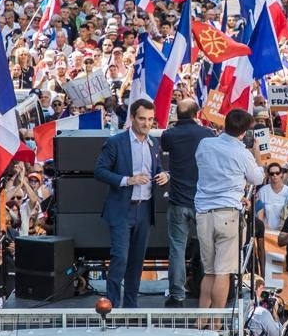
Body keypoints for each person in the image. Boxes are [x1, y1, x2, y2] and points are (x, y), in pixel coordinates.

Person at [94, 98, 168, 308]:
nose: (147, 123)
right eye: (142, 119)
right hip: (121, 209)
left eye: (151, 120)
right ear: (133, 118)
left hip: (145, 209)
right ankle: (112, 306)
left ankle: (131, 306)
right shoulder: (116, 142)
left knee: (137, 262)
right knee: (120, 258)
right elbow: (99, 171)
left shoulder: (154, 143)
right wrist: (128, 180)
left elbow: (159, 168)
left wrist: (164, 176)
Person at [194, 108, 263, 310]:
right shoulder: (242, 153)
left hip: (204, 214)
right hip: (228, 215)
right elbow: (257, 178)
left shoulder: (205, 144)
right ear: (244, 132)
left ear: (225, 124)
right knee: (223, 272)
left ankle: (201, 323)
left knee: (209, 272)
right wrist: (257, 155)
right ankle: (216, 326)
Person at [159, 99, 215, 306]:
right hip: (202, 202)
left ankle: (177, 295)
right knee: (208, 249)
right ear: (196, 114)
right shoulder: (208, 134)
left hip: (178, 201)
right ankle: (204, 292)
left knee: (177, 249)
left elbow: (163, 145)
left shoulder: (170, 135)